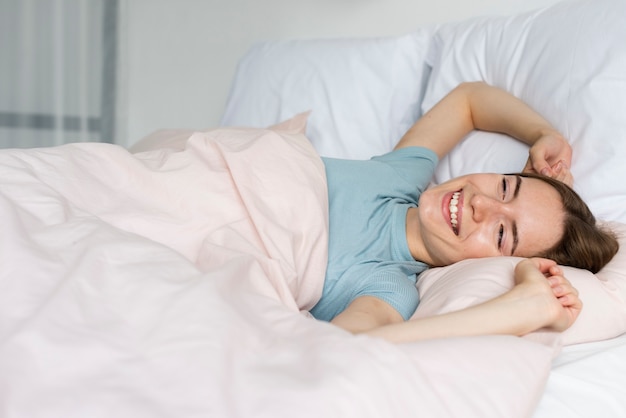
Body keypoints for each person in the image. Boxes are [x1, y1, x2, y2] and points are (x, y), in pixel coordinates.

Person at [309, 81, 619, 341]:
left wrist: (522, 310)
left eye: (501, 233)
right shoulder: (401, 174)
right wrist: (545, 135)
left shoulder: (388, 287)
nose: (480, 204)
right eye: (505, 188)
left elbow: (348, 350)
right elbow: (469, 101)